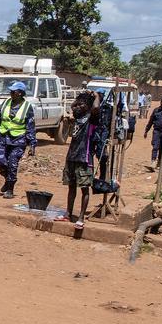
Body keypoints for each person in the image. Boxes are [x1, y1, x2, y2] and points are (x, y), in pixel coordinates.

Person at [0, 81, 37, 199]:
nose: (11, 93)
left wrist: (32, 144)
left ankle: (10, 189)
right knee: (0, 161)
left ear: (20, 93)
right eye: (10, 91)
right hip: (3, 137)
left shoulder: (27, 107)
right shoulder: (6, 103)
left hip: (18, 140)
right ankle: (7, 179)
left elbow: (30, 126)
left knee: (12, 164)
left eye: (13, 92)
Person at [63, 91, 98, 230]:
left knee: (84, 189)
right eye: (77, 104)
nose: (77, 107)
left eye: (81, 105)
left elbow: (96, 108)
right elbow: (72, 106)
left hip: (84, 158)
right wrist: (80, 96)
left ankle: (81, 217)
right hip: (72, 157)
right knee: (71, 187)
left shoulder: (91, 119)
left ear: (88, 106)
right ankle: (68, 213)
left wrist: (96, 96)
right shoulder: (77, 118)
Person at [144, 95, 162, 171]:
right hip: (157, 131)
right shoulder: (156, 110)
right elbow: (151, 121)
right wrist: (146, 130)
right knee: (155, 147)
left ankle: (159, 163)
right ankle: (153, 161)